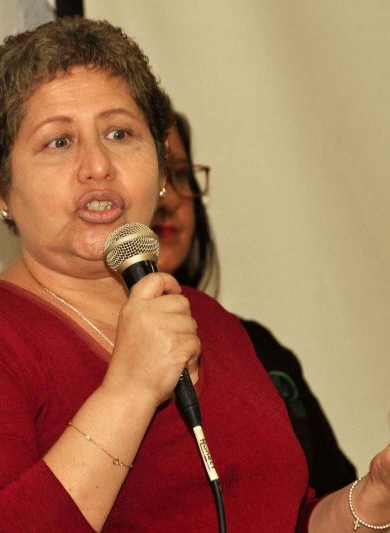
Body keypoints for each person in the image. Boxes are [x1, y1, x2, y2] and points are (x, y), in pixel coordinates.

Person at [0, 17, 390, 532]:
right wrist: (128, 392)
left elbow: (282, 521)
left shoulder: (208, 322)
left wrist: (380, 492)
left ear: (159, 164)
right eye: (58, 142)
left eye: (120, 133)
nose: (97, 166)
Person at [152, 112, 357, 496]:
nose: (170, 200)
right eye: (153, 179)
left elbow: (337, 492)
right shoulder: (87, 360)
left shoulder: (255, 345)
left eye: (179, 175)